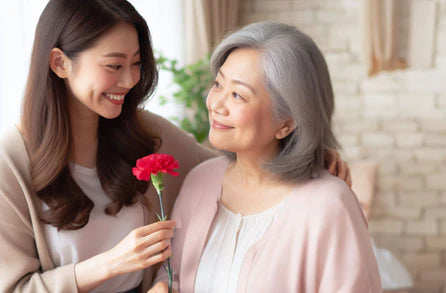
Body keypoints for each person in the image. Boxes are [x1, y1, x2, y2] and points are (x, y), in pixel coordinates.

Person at [0, 2, 350, 292]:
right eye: (114, 65)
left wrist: (303, 150)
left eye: (136, 64)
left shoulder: (145, 131)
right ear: (60, 62)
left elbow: (231, 168)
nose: (129, 80)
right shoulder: (10, 163)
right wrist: (110, 264)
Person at [150, 22, 382, 293]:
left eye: (238, 94)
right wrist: (162, 287)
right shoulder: (201, 180)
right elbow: (172, 276)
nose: (216, 104)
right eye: (218, 84)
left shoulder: (329, 204)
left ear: (287, 122)